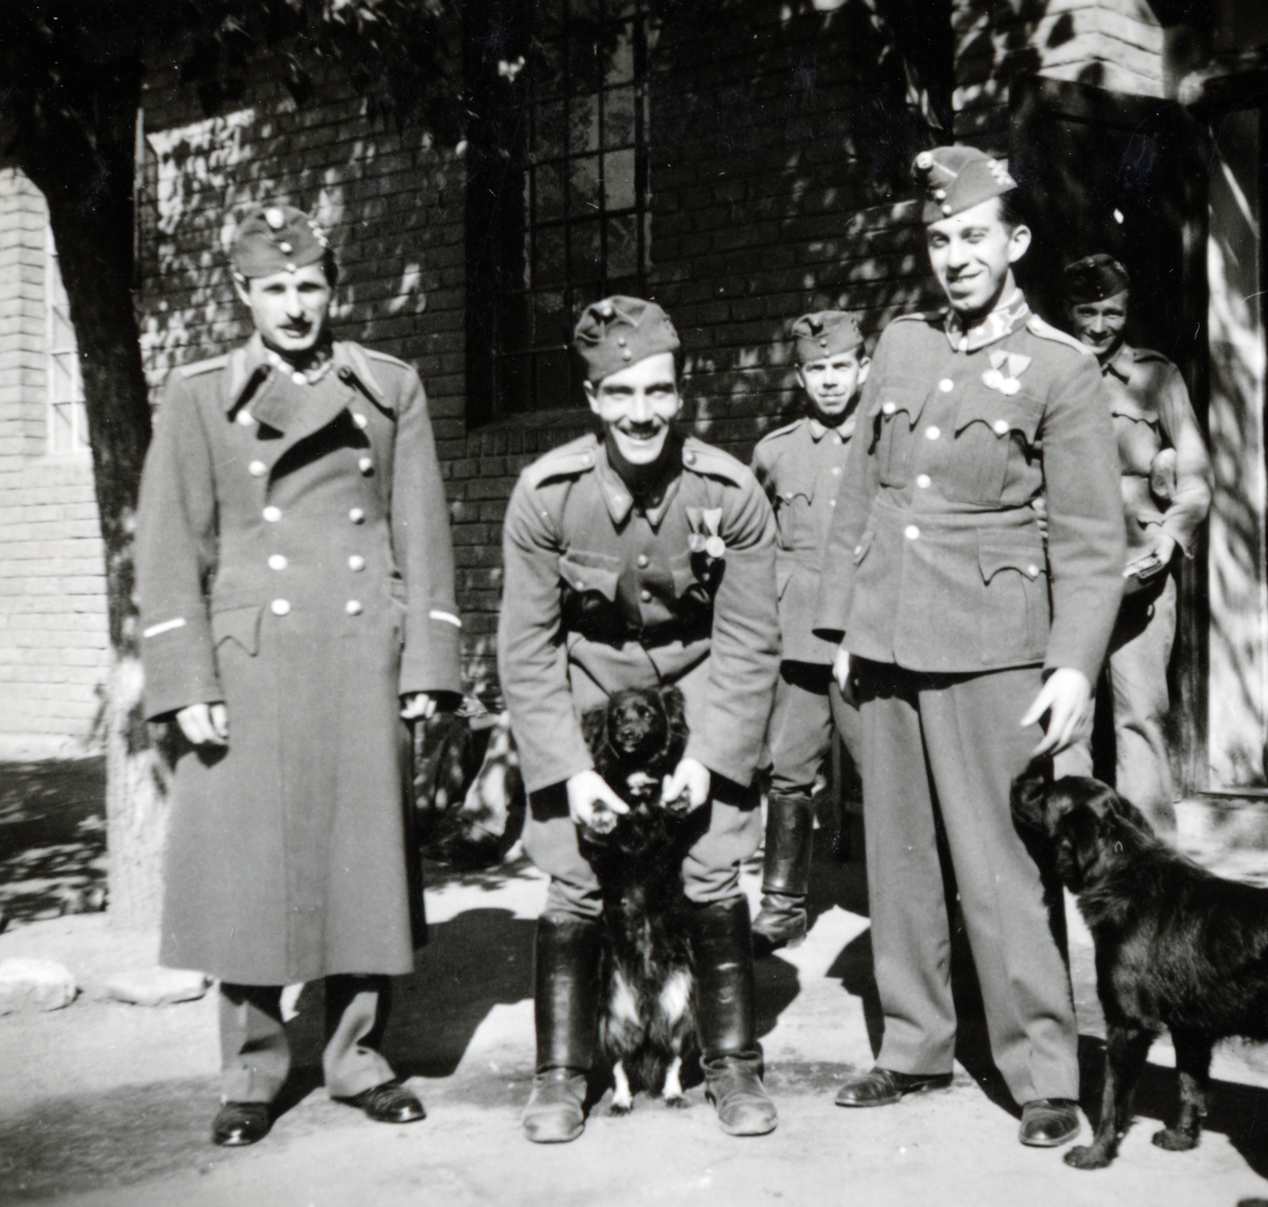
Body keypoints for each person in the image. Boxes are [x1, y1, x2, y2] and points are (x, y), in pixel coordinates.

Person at [815, 147, 1125, 1146]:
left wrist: (1074, 664)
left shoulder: (1061, 368)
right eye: (940, 237)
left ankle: (1041, 1070)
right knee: (897, 859)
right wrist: (837, 628)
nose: (953, 255)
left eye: (973, 237)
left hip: (996, 645)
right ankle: (912, 1045)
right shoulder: (901, 347)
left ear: (1014, 242)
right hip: (885, 639)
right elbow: (860, 492)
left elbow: (1089, 537)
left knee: (1000, 863)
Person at [135, 204, 461, 1147]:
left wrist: (429, 660)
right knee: (249, 870)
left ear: (332, 288)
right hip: (250, 662)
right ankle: (252, 1070)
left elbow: (421, 531)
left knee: (363, 860)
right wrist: (184, 679)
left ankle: (359, 1056)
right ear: (243, 293)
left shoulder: (388, 385)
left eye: (308, 285)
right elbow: (170, 549)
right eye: (273, 288)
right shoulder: (199, 395)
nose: (293, 306)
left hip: (362, 650)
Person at [498, 296, 782, 1142]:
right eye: (619, 393)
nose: (641, 412)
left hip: (702, 692)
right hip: (587, 698)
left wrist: (713, 754)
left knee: (712, 871)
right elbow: (527, 647)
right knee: (575, 879)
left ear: (679, 391)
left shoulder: (729, 491)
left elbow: (750, 637)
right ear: (592, 400)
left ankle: (731, 1061)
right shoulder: (546, 495)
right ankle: (560, 1072)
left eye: (657, 391)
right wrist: (567, 768)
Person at [1059, 255, 1212, 833]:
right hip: (1064, 573)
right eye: (1087, 311)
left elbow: (1196, 475)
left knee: (1141, 717)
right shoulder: (1048, 372)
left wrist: (1171, 541)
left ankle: (1152, 869)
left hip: (1139, 572)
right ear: (1068, 311)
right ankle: (1070, 852)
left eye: (1112, 312)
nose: (1099, 326)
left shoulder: (1158, 377)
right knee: (1067, 720)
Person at [748, 311, 868, 949]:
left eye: (840, 367)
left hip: (866, 639)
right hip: (798, 641)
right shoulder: (775, 451)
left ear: (862, 368)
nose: (829, 381)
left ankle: (916, 905)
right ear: (799, 376)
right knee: (789, 768)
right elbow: (759, 545)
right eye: (816, 370)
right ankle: (782, 906)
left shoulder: (882, 444)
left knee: (885, 770)